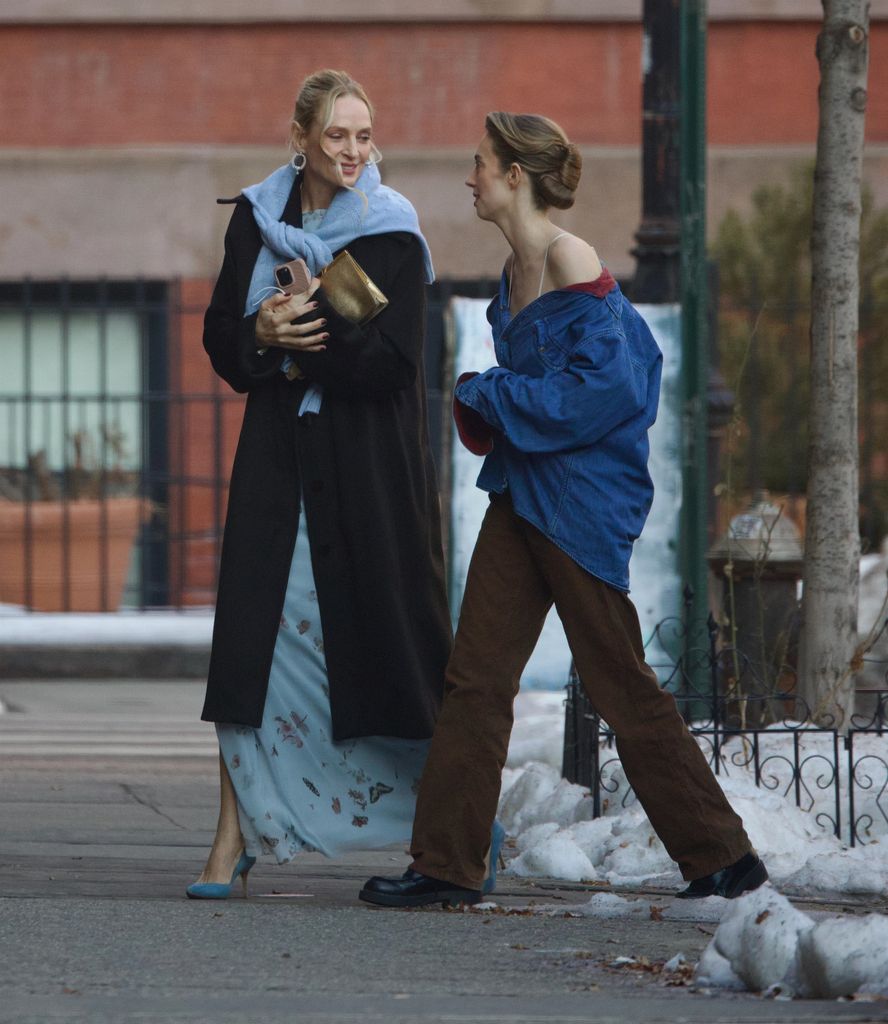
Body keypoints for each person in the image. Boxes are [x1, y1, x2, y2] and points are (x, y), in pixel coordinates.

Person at [360, 112, 768, 908]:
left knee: (620, 684)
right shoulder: (515, 269)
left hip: (578, 504)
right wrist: (498, 403)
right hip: (521, 495)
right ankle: (447, 866)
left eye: (480, 164)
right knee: (475, 678)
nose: (470, 177)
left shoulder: (566, 256)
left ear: (516, 174)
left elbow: (608, 390)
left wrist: (491, 393)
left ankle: (724, 858)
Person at [187, 69, 453, 898]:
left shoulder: (391, 232)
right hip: (277, 468)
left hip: (362, 477)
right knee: (249, 654)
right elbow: (220, 343)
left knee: (382, 652)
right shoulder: (256, 222)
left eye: (363, 135)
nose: (351, 151)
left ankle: (445, 828)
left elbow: (395, 366)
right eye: (335, 135)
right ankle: (232, 837)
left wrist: (309, 335)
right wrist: (258, 332)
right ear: (300, 137)